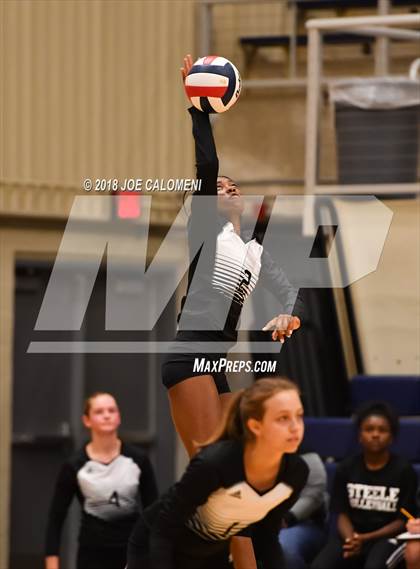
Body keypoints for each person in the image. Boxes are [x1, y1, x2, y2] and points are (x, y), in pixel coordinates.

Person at [164, 54, 304, 458]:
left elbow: (290, 289)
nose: (225, 189)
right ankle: (168, 524)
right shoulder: (207, 231)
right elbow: (207, 164)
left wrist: (288, 314)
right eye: (217, 188)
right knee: (208, 466)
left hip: (215, 363)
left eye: (232, 187)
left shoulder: (254, 251)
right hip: (190, 356)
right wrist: (198, 108)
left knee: (242, 452)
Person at [127, 378, 309, 569]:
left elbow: (267, 537)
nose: (295, 427)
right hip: (157, 544)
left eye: (299, 415)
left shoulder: (295, 474)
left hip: (211, 553)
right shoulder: (215, 463)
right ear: (255, 426)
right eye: (283, 418)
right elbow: (164, 529)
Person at [45, 392, 158, 569]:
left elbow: (154, 511)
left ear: (119, 417)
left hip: (132, 552)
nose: (106, 415)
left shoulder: (138, 460)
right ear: (87, 420)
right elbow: (56, 518)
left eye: (112, 410)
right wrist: (52, 564)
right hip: (92, 554)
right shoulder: (74, 466)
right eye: (99, 411)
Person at [311, 401, 418, 569]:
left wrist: (366, 538)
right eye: (369, 429)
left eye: (382, 430)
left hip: (387, 538)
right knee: (320, 566)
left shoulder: (404, 471)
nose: (375, 434)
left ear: (391, 437)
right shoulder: (346, 467)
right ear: (360, 435)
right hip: (351, 535)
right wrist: (351, 539)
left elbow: (402, 520)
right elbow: (341, 513)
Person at [278, 451, 328, 568]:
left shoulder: (308, 457)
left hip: (301, 523)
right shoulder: (249, 455)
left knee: (283, 548)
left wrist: (287, 518)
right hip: (259, 523)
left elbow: (313, 496)